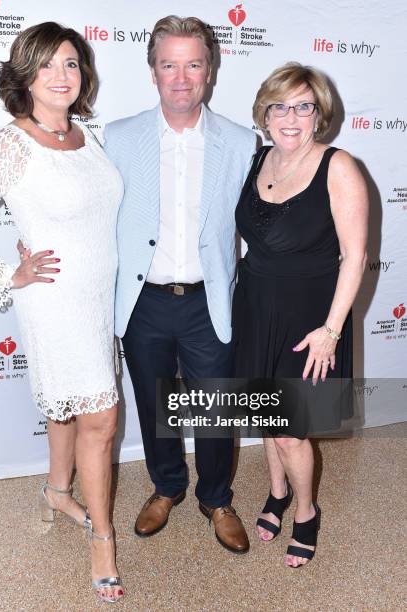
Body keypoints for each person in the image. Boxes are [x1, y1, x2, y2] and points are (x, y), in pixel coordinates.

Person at [0, 22, 124, 603]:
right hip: (55, 300)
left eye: (70, 63)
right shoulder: (10, 143)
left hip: (97, 298)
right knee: (101, 419)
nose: (62, 76)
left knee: (69, 405)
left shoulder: (87, 133)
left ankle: (59, 491)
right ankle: (103, 542)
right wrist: (7, 274)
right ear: (24, 76)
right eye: (47, 65)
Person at [104, 16, 256, 553]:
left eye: (193, 64)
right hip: (143, 301)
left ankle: (216, 497)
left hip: (208, 301)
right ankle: (167, 485)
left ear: (209, 70)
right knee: (153, 401)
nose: (182, 77)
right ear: (152, 72)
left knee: (217, 408)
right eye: (169, 64)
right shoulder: (118, 137)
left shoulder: (241, 142)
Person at [232, 62, 368, 567]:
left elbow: (354, 257)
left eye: (303, 106)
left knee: (290, 428)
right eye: (279, 106)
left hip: (311, 319)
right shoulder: (257, 160)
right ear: (264, 114)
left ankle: (306, 512)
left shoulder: (339, 166)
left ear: (319, 115)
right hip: (255, 304)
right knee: (268, 415)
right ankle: (277, 493)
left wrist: (331, 331)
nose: (291, 117)